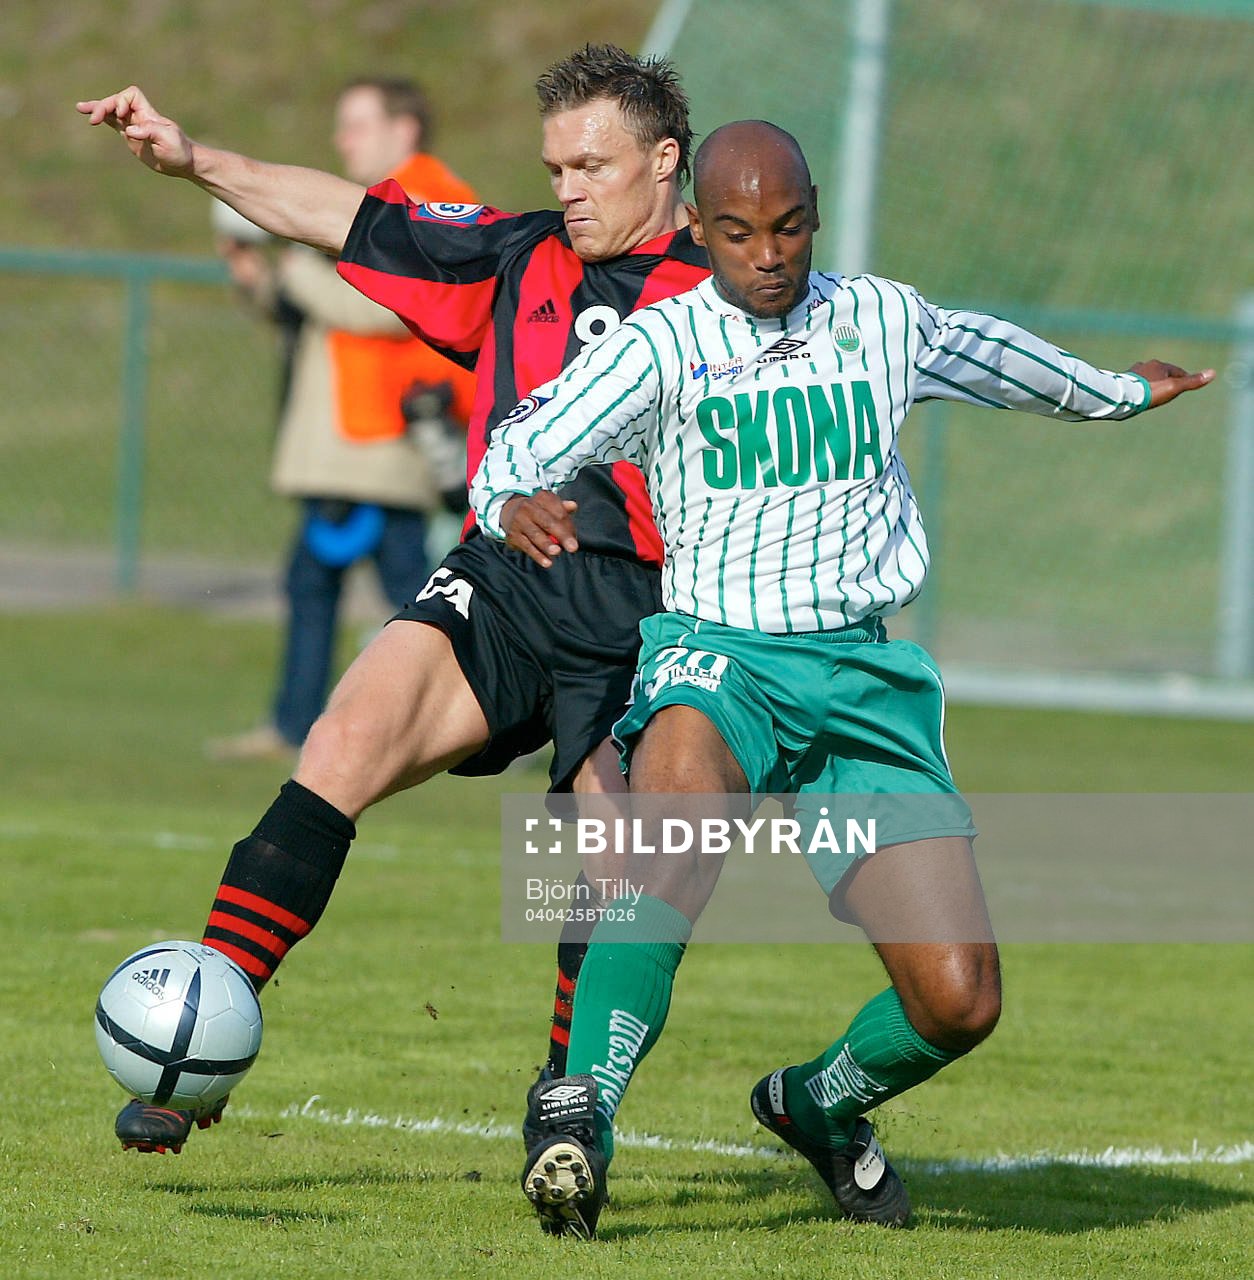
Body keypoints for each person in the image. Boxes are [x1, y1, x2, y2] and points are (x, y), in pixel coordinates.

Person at [471, 120, 1215, 1238]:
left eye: (788, 227)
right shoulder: (660, 343)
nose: (766, 253)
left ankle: (816, 1104)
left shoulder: (881, 317)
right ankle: (582, 1114)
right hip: (720, 654)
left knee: (960, 1000)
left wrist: (1117, 391)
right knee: (669, 817)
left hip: (864, 675)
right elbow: (519, 442)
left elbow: (1003, 359)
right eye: (736, 232)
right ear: (698, 230)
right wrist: (510, 500)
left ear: (815, 214)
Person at [76, 44, 709, 1155]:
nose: (566, 188)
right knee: (345, 733)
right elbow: (347, 216)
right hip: (510, 578)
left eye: (591, 166)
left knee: (615, 870)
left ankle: (568, 1110)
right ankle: (195, 1044)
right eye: (555, 165)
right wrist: (190, 159)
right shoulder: (517, 254)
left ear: (664, 162)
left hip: (656, 614)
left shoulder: (737, 296)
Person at [207, 78, 478, 761]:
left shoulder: (428, 200)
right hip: (350, 441)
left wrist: (293, 269)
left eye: (356, 125)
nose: (341, 140)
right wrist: (262, 282)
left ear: (404, 130)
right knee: (328, 583)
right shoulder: (366, 206)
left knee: (414, 597)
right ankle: (299, 723)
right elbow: (331, 315)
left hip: (387, 438)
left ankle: (477, 716)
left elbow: (389, 309)